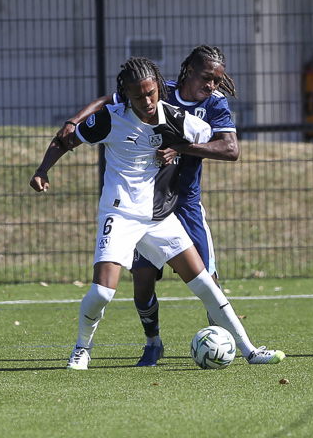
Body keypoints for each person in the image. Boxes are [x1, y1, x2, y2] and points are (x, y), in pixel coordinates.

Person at [31, 57, 284, 369]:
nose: (147, 101)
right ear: (126, 96)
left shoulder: (175, 118)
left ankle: (249, 350)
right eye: (138, 97)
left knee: (205, 283)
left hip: (160, 218)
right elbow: (66, 140)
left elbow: (216, 141)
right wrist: (43, 169)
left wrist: (179, 147)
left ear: (159, 88)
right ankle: (82, 349)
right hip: (120, 214)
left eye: (151, 93)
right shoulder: (111, 119)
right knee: (100, 293)